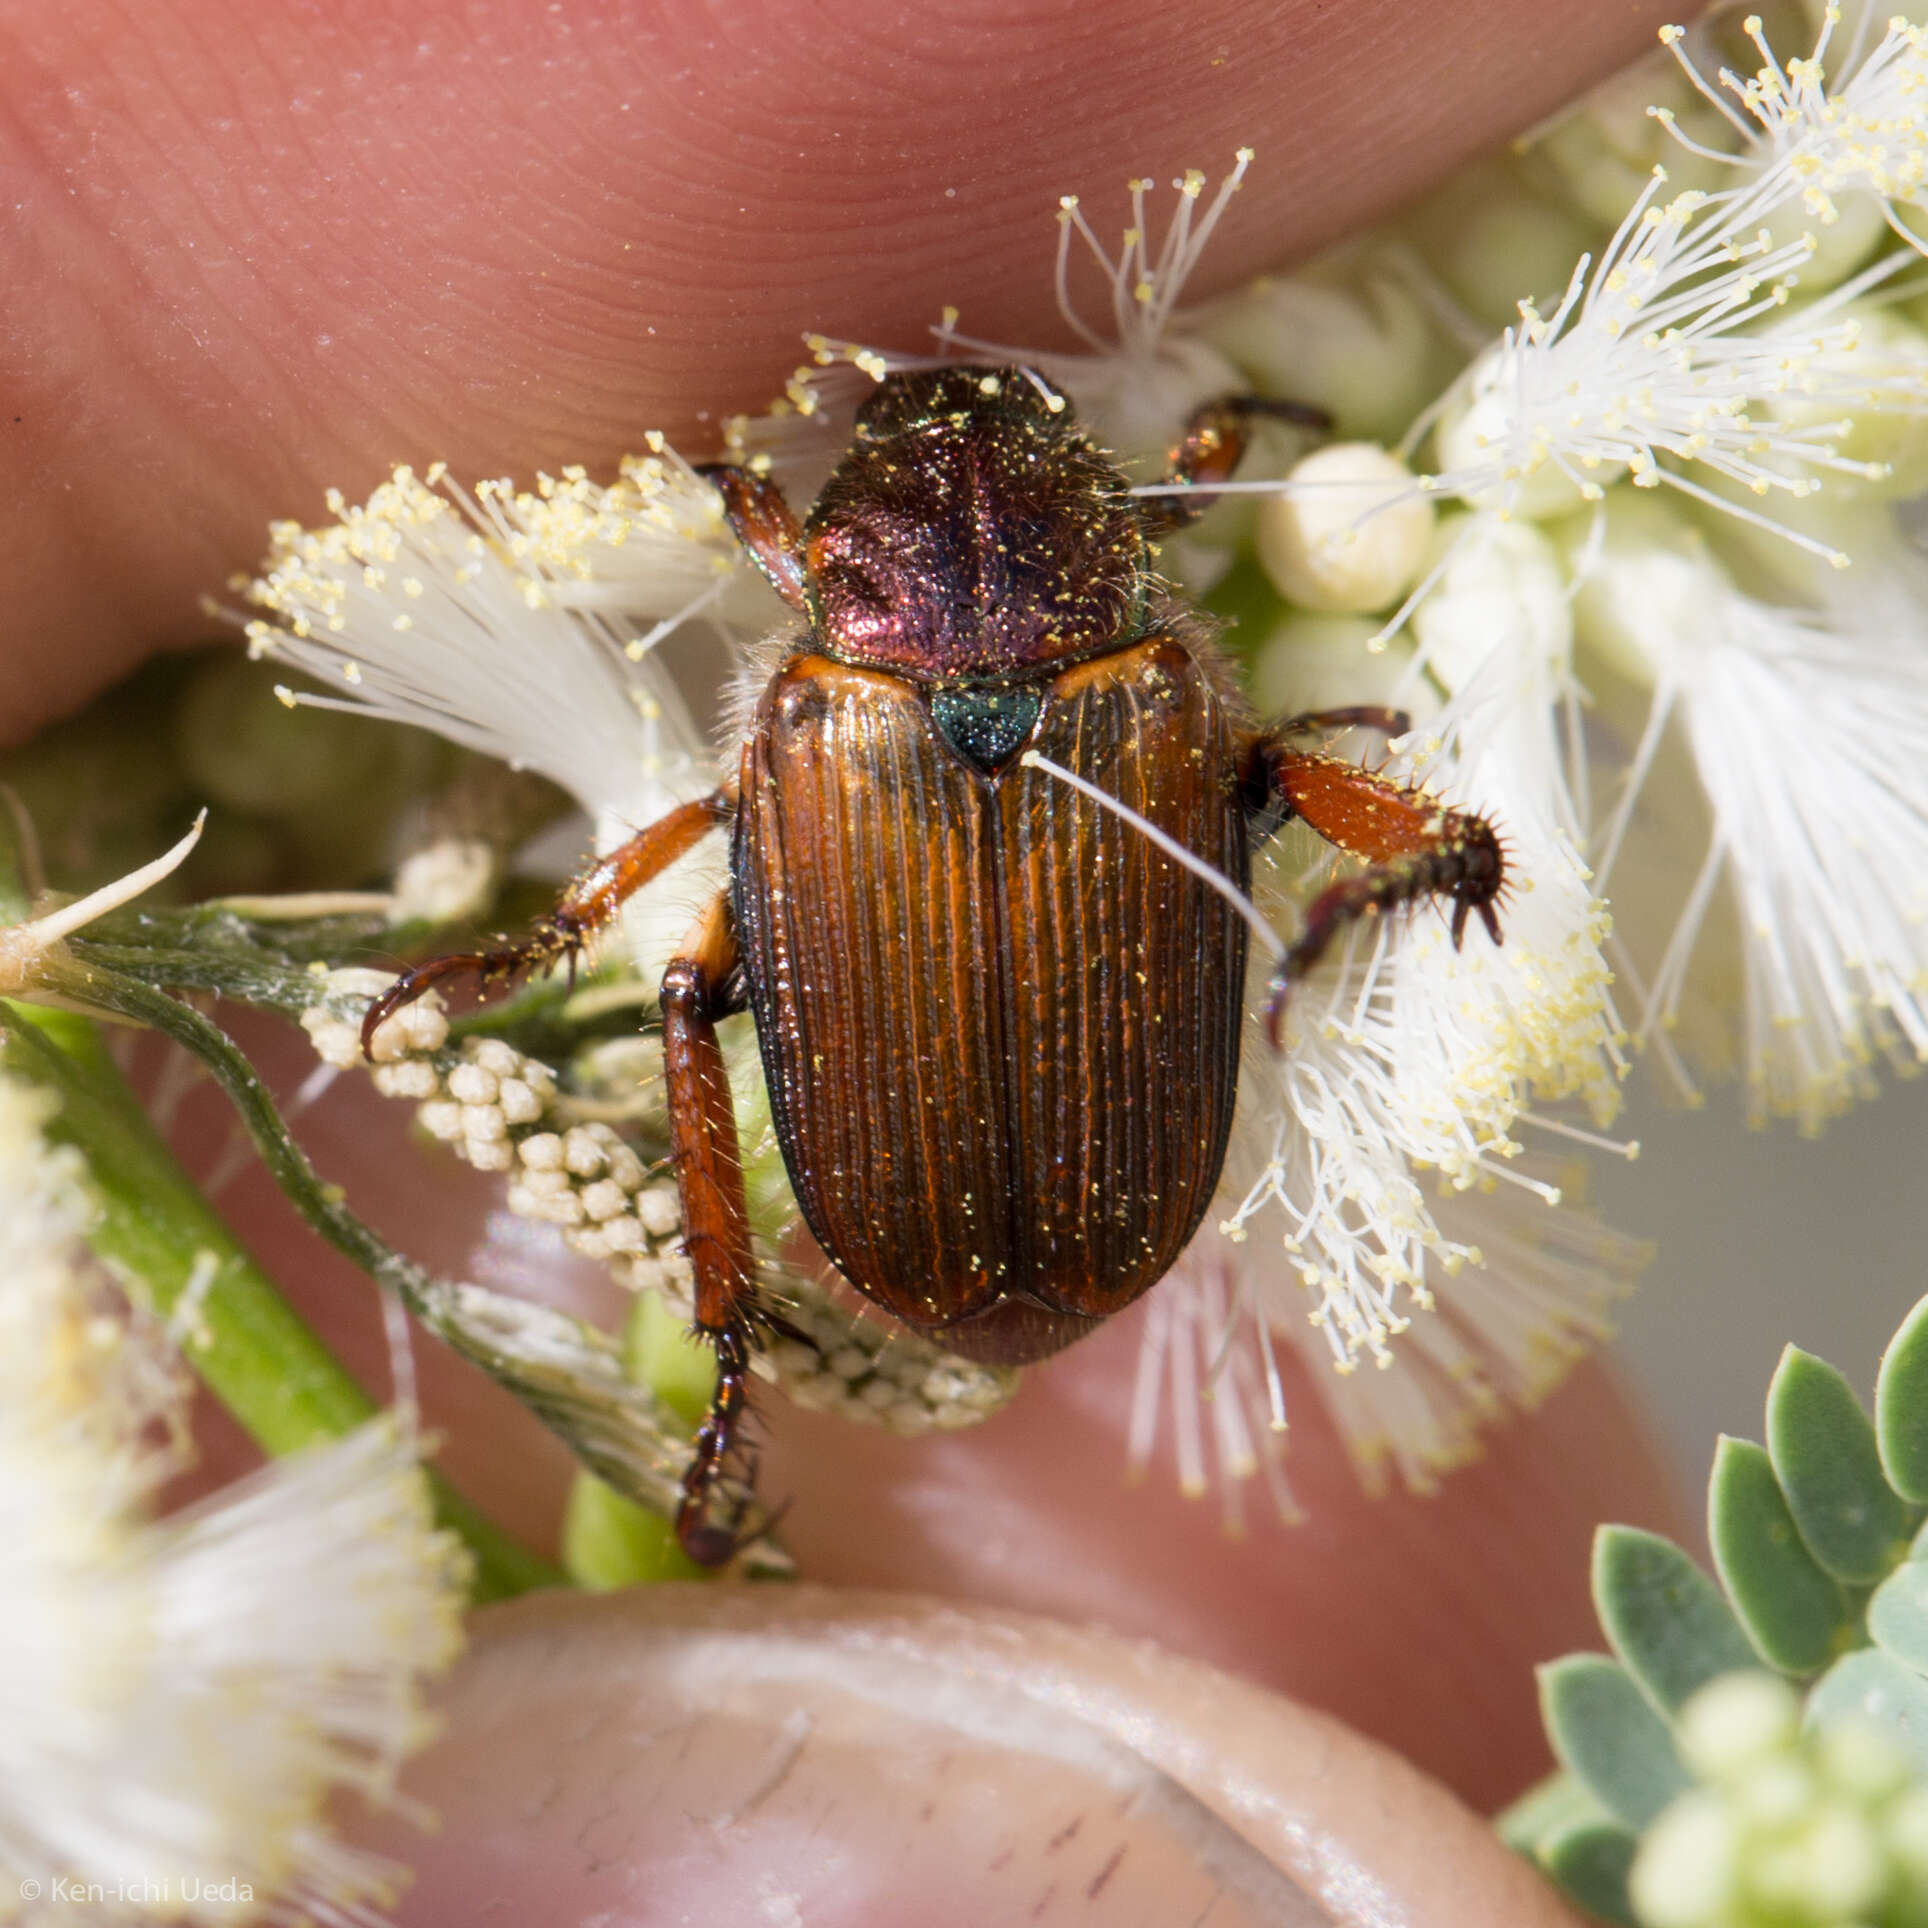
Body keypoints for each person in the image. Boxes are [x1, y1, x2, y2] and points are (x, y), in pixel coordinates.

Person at [2, 1, 1683, 1913]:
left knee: (687, 974)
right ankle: (739, 1345)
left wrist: (553, 918)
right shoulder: (1121, 673)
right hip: (1087, 1182)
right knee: (1367, 811)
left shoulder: (817, 714)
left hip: (962, 1189)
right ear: (1116, 535)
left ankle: (729, 1360)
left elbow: (701, 834)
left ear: (827, 560)